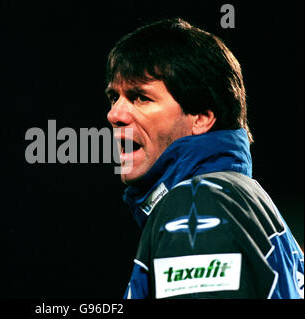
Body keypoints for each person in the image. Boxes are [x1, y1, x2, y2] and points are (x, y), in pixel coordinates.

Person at [105, 18, 304, 299]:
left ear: (201, 118)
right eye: (114, 97)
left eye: (140, 97)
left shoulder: (196, 203)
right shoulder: (242, 199)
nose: (114, 114)